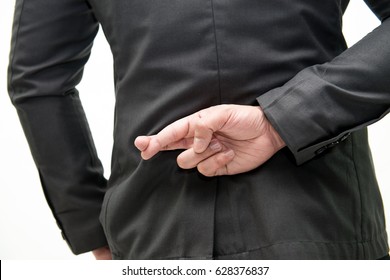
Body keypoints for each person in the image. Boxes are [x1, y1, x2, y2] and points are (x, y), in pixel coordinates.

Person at [7, 0, 390, 260]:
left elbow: (37, 80)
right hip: (322, 217)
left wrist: (91, 227)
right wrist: (282, 119)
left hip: (151, 225)